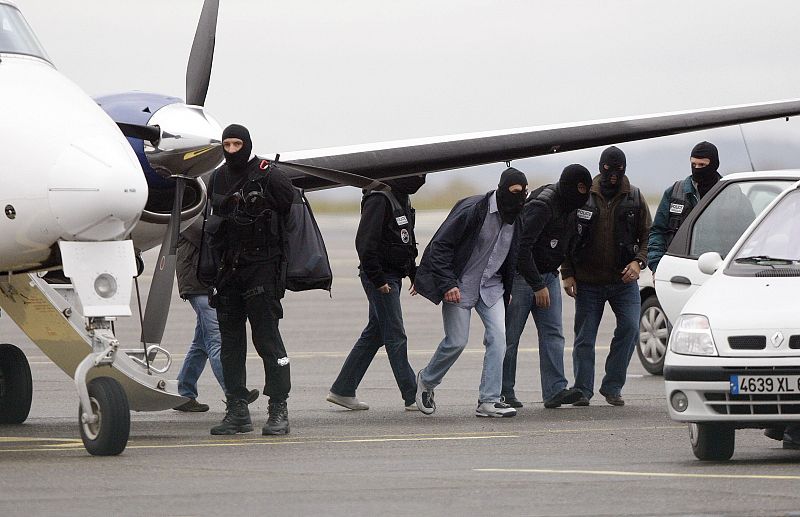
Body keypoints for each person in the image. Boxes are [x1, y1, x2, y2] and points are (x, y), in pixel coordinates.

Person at [412, 167, 527, 418]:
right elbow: (441, 245)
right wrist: (447, 284)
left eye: (524, 193)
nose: (520, 198)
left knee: (499, 338)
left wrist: (513, 286)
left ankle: (488, 401)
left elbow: (517, 253)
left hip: (492, 287)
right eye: (515, 192)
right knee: (456, 342)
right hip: (460, 285)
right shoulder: (474, 210)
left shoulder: (517, 215)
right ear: (502, 189)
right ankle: (426, 381)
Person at [204, 124, 295, 436]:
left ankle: (278, 408)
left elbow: (290, 214)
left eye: (236, 144)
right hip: (228, 271)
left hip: (263, 269)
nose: (231, 151)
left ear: (247, 144)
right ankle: (237, 410)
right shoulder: (216, 177)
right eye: (226, 145)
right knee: (230, 344)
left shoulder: (270, 174)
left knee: (267, 340)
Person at [561, 146, 652, 406]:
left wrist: (639, 261)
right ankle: (582, 390)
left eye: (619, 170)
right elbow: (566, 235)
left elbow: (648, 235)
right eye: (608, 169)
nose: (613, 175)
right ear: (600, 168)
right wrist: (567, 273)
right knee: (585, 338)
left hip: (623, 281)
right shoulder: (584, 196)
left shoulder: (634, 197)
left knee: (630, 328)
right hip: (587, 282)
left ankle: (612, 386)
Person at [326, 176, 426, 411]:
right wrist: (378, 278)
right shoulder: (379, 198)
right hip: (381, 278)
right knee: (395, 334)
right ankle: (412, 395)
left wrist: (413, 274)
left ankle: (343, 389)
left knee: (377, 333)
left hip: (393, 275)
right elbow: (364, 243)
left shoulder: (402, 197)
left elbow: (405, 239)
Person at [502, 164, 592, 409]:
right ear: (571, 186)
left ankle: (554, 391)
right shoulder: (543, 206)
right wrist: (537, 284)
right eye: (581, 187)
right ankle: (502, 392)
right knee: (509, 337)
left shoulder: (572, 207)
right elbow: (521, 248)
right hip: (523, 279)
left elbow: (567, 244)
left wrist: (566, 274)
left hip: (548, 276)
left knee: (553, 334)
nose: (584, 193)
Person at [172, 217, 259, 412]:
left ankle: (183, 393)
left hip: (203, 283)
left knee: (201, 343)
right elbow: (209, 235)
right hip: (199, 284)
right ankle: (235, 392)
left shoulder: (201, 210)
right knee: (216, 340)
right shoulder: (190, 214)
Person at [647, 141, 722, 272]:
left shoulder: (731, 194)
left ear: (714, 164)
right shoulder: (674, 193)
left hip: (717, 271)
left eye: (702, 165)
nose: (697, 168)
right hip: (678, 270)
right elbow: (658, 232)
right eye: (694, 164)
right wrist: (657, 266)